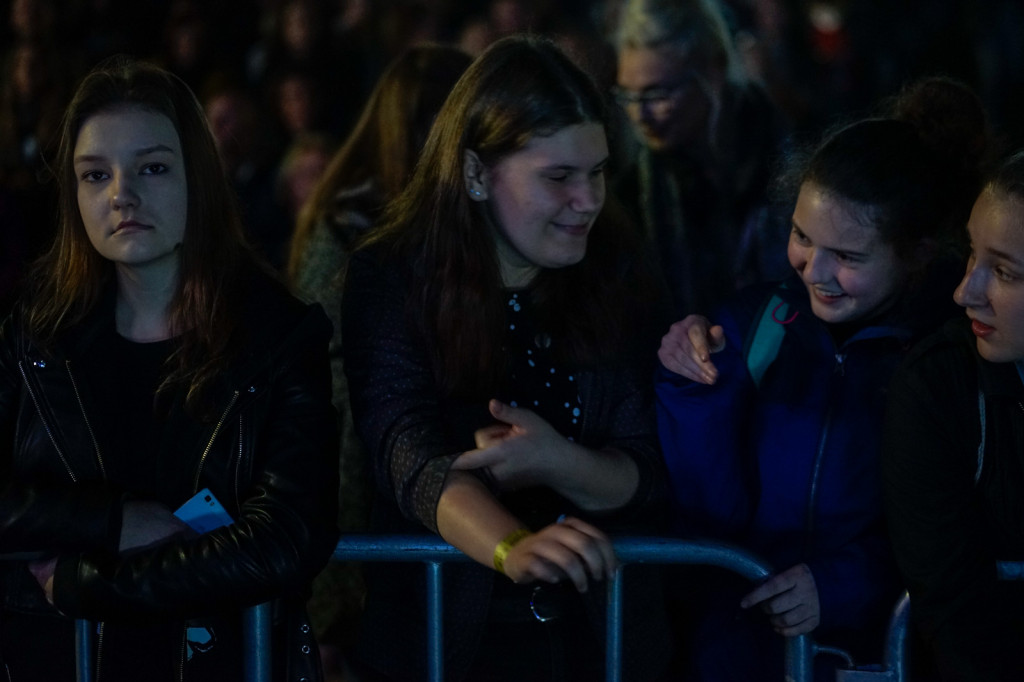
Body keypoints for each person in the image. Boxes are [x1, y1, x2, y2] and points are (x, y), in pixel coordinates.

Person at [341, 35, 670, 682]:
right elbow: (406, 455)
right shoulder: (393, 276)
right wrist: (513, 546)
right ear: (474, 174)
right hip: (447, 641)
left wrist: (555, 460)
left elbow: (648, 469)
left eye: (598, 171)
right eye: (559, 177)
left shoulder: (616, 267)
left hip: (594, 640)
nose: (589, 199)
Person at [0, 57, 339, 681]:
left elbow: (287, 535)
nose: (121, 195)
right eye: (95, 174)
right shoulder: (35, 334)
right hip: (60, 663)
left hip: (222, 663)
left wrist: (93, 583)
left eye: (152, 168)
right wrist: (113, 521)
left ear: (197, 176)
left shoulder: (278, 336)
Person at [654, 76, 991, 680]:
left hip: (876, 652)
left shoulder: (951, 355)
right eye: (802, 237)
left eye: (849, 256)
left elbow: (957, 528)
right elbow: (709, 511)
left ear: (917, 253)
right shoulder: (756, 323)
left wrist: (843, 585)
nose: (815, 270)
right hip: (740, 647)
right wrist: (692, 381)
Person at [288, 43, 471, 673]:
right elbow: (333, 381)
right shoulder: (350, 227)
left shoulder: (452, 221)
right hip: (358, 471)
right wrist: (333, 591)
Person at [882, 151, 1024, 681]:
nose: (966, 292)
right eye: (971, 253)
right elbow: (956, 615)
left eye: (1004, 271)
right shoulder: (938, 388)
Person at [612, 0, 792, 318]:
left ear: (714, 70)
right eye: (628, 95)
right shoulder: (634, 195)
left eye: (658, 94)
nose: (640, 114)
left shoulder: (788, 155)